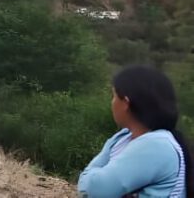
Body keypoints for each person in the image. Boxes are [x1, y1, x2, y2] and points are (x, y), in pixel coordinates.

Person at [78, 65, 190, 197]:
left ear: (125, 103)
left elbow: (96, 189)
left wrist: (90, 180)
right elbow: (88, 187)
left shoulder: (157, 145)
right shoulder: (122, 138)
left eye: (113, 96)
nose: (112, 103)